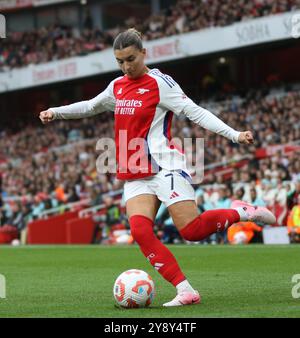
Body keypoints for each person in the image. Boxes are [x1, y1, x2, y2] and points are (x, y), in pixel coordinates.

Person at [39, 28, 276, 307]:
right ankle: (185, 290)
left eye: (131, 59)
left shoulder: (160, 83)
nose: (126, 67)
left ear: (143, 53)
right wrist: (56, 111)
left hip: (165, 166)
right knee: (140, 232)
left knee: (191, 231)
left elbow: (195, 112)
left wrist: (234, 135)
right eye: (120, 62)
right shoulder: (116, 86)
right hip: (135, 172)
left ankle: (241, 211)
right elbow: (91, 106)